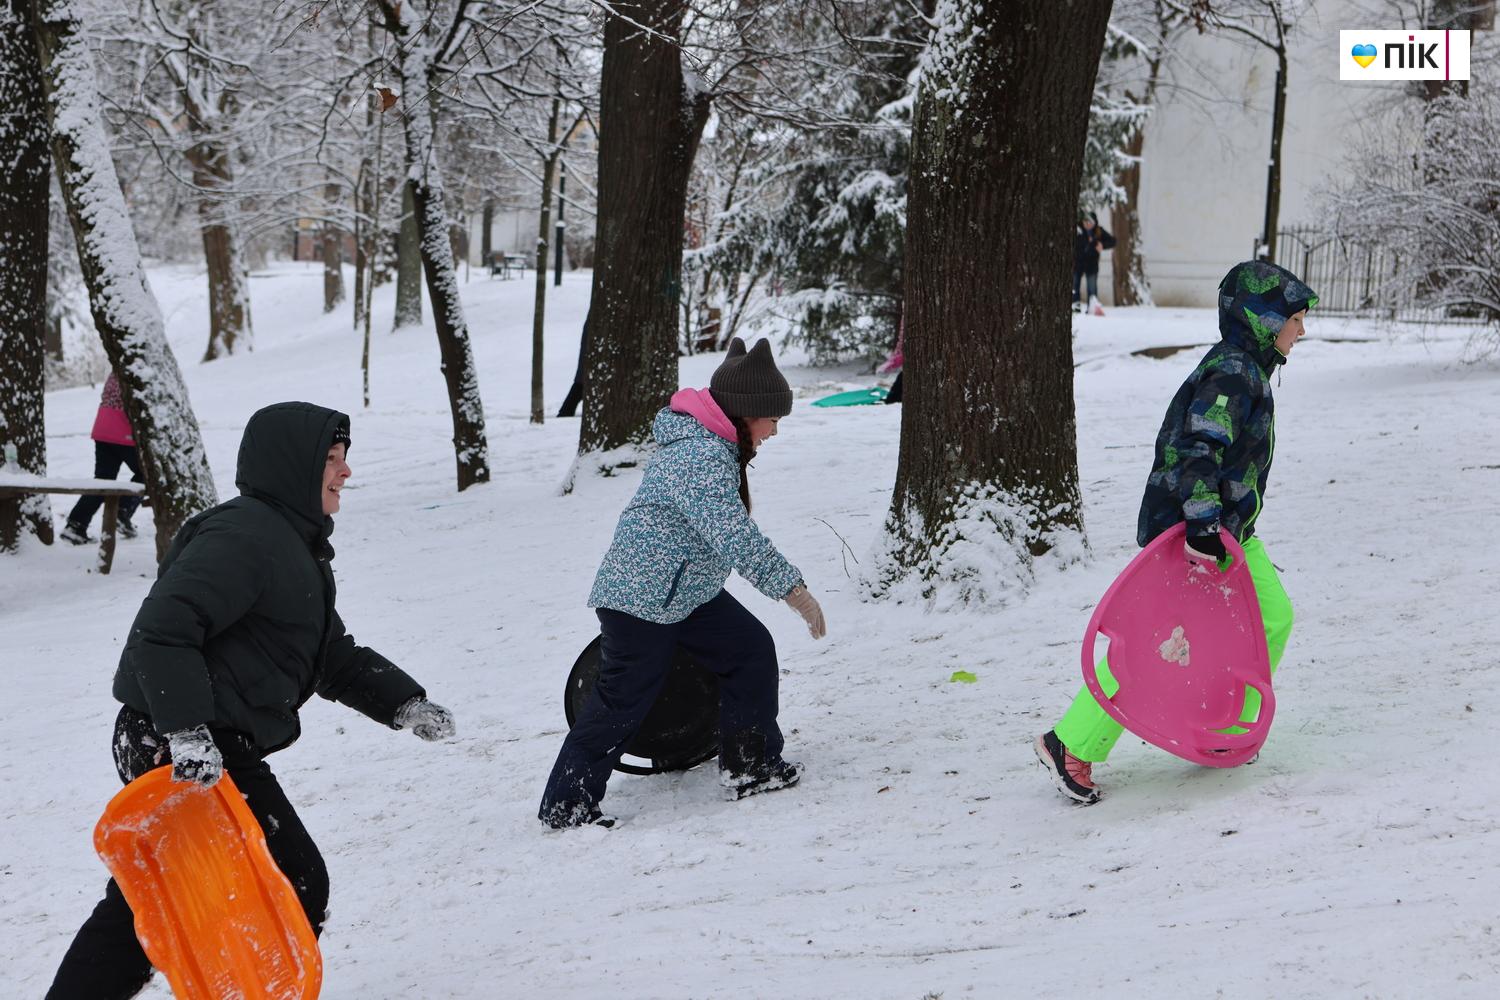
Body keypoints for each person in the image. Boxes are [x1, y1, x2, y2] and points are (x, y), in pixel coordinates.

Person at [46, 402, 456, 999]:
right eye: (333, 460)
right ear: (295, 467)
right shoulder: (245, 535)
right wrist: (185, 730)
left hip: (199, 739)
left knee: (157, 898)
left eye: (345, 459)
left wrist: (403, 703)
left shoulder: (288, 544)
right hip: (180, 740)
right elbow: (163, 628)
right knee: (287, 877)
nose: (345, 473)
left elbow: (328, 653)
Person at [1036, 261, 1318, 804]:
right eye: (1295, 319)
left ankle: (1224, 728)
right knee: (1152, 646)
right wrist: (1203, 528)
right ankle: (1070, 741)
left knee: (1272, 618)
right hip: (1193, 535)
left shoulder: (1249, 369)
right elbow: (1197, 450)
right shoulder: (1232, 373)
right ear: (1262, 319)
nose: (1301, 330)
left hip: (1231, 533)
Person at [539, 337, 828, 829]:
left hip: (686, 594)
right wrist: (793, 590)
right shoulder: (699, 456)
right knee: (621, 702)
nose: (775, 431)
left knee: (749, 651)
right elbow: (734, 535)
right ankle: (567, 805)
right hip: (642, 599)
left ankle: (750, 765)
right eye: (773, 419)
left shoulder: (714, 446)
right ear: (744, 413)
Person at [61, 372, 144, 544]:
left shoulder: (116, 371)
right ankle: (123, 512)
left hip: (103, 430)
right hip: (123, 432)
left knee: (103, 481)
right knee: (147, 473)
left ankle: (75, 526)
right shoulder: (137, 370)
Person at [1072, 211, 1116, 313]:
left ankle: (1092, 308)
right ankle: (1075, 307)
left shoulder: (1098, 231)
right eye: (1085, 221)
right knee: (1075, 287)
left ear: (1095, 222)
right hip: (1077, 263)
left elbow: (1113, 241)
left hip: (1092, 265)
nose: (1087, 224)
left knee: (1092, 289)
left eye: (1090, 222)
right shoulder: (1078, 230)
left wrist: (1102, 245)